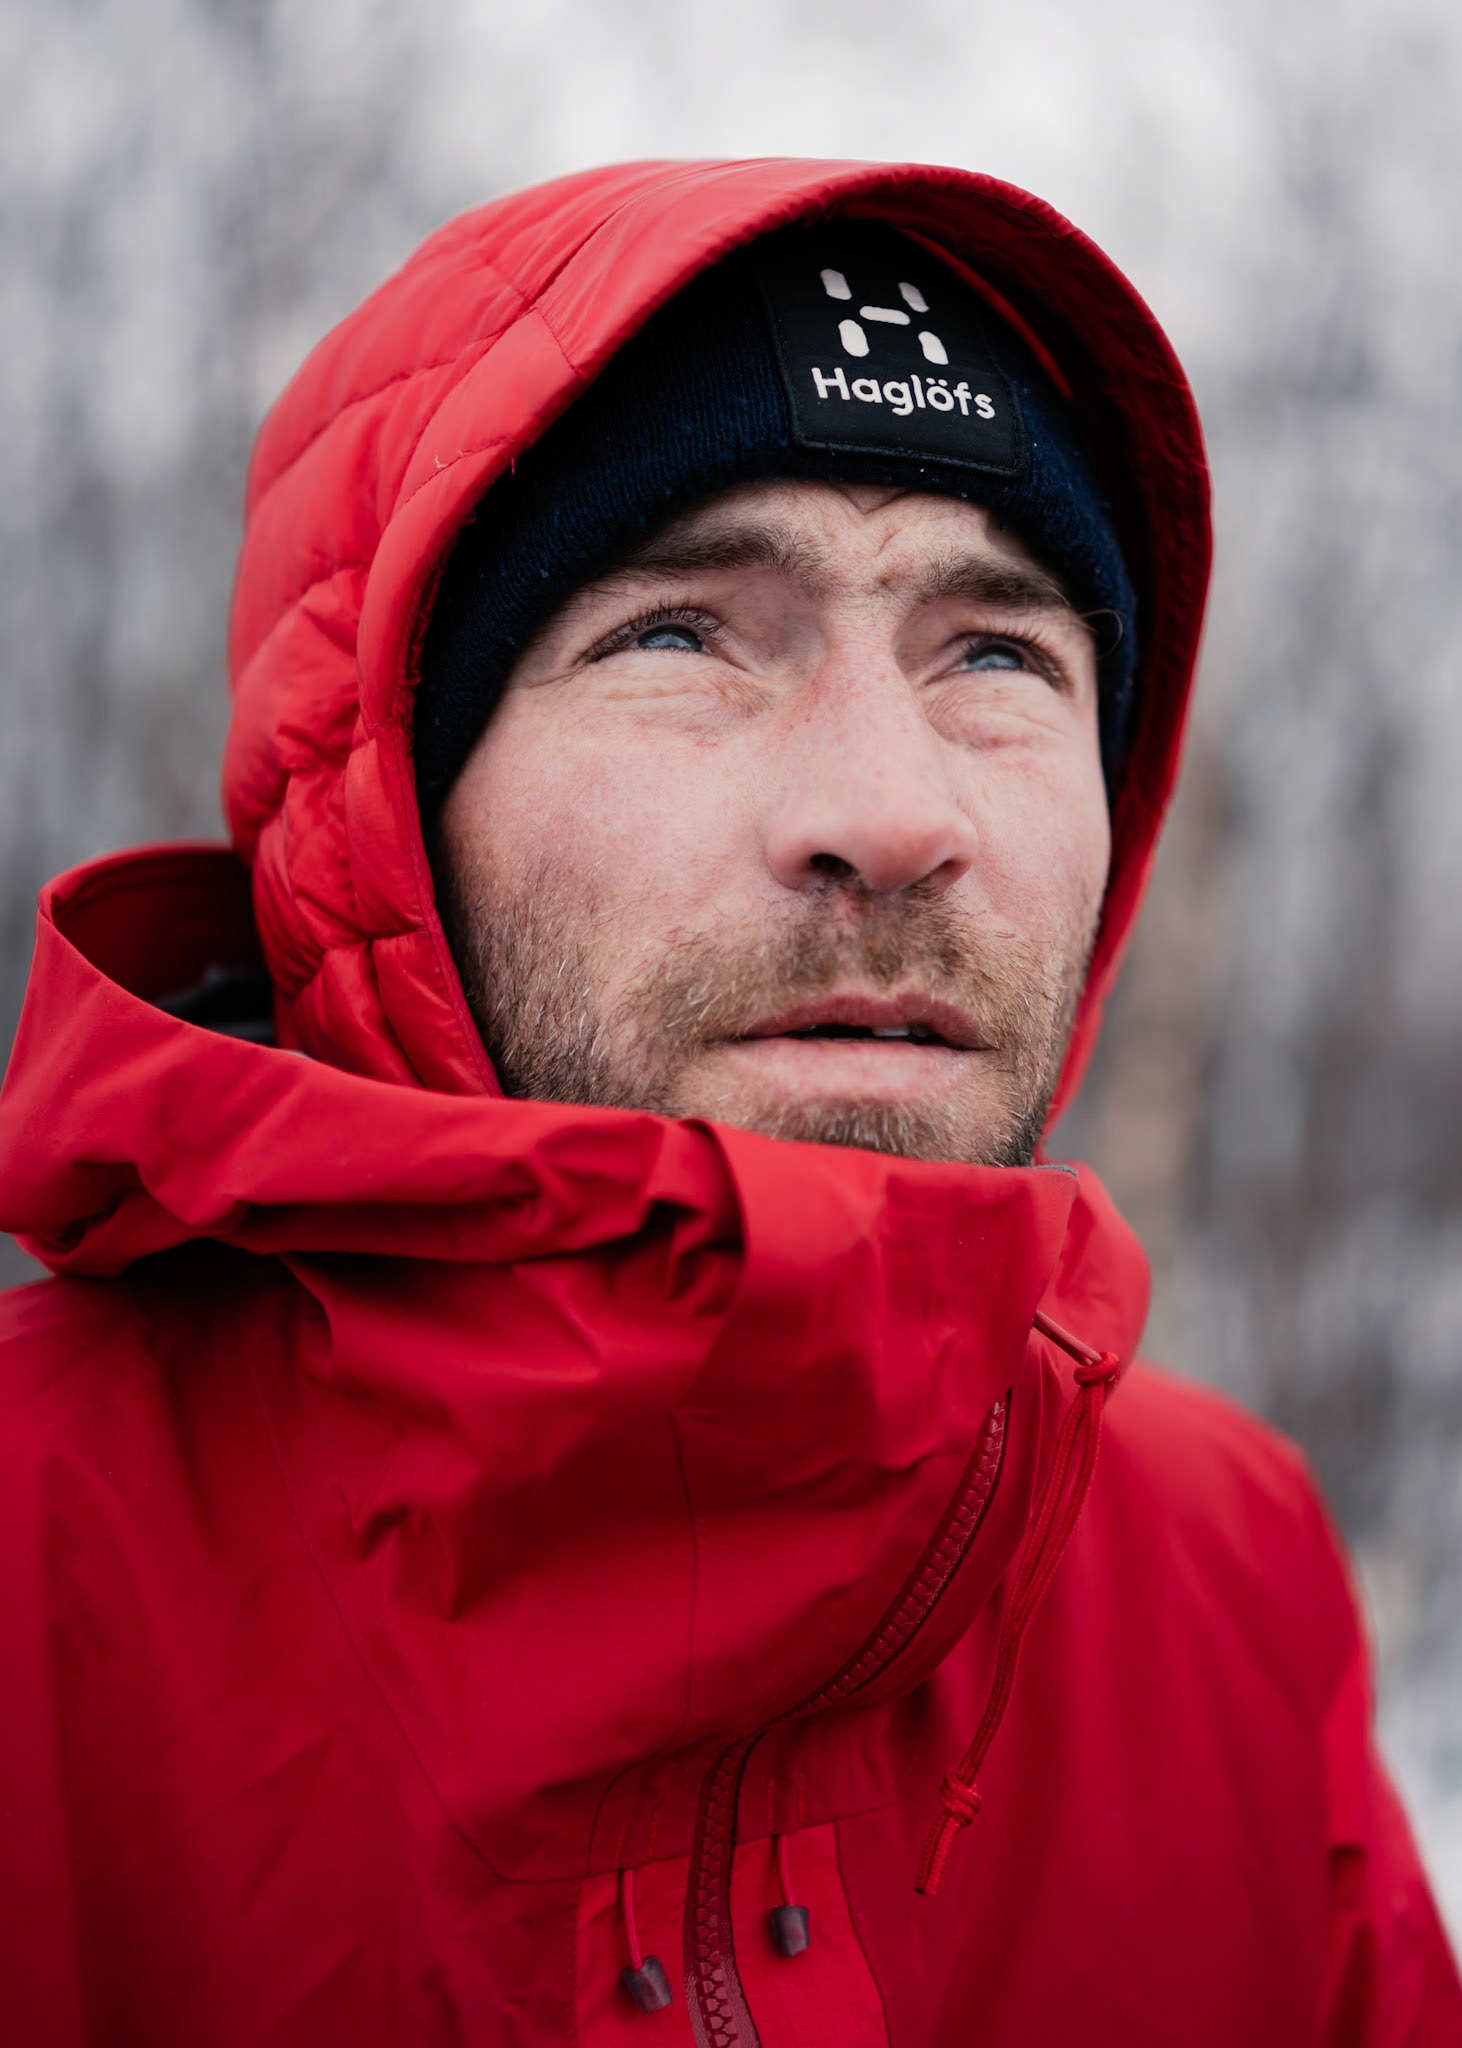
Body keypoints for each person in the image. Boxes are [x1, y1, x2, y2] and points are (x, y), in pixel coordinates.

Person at [0, 157, 1456, 2048]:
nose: (892, 814)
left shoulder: (1224, 1574)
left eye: (997, 654)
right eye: (679, 634)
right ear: (386, 809)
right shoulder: (36, 1577)